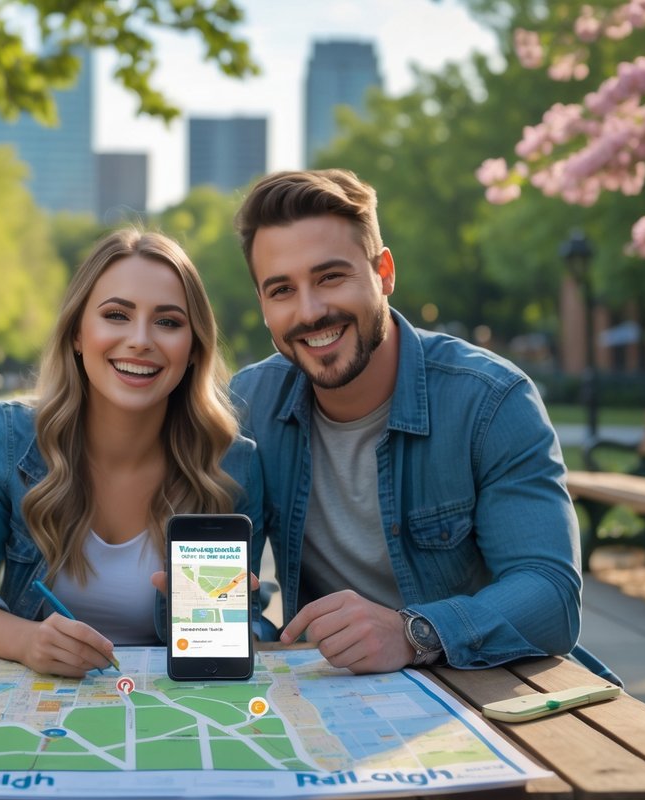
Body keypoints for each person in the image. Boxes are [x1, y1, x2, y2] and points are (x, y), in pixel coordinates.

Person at [230, 168, 583, 675]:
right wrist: (209, 618)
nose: (310, 311)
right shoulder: (246, 407)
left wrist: (414, 633)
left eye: (331, 277)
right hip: (331, 691)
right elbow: (235, 608)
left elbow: (551, 593)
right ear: (263, 304)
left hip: (483, 688)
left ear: (384, 273)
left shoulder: (490, 401)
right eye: (282, 290)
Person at [0, 227, 265, 677]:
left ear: (194, 348)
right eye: (116, 315)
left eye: (168, 322)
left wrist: (231, 626)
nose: (140, 340)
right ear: (77, 333)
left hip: (167, 710)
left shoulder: (232, 464)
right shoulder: (5, 438)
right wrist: (27, 641)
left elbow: (244, 631)